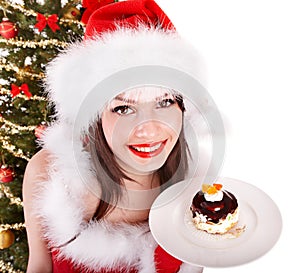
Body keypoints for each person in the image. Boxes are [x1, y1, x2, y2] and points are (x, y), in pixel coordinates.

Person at [23, 0, 207, 272]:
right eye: (123, 108)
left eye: (164, 101)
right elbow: (39, 265)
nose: (149, 130)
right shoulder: (47, 173)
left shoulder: (194, 180)